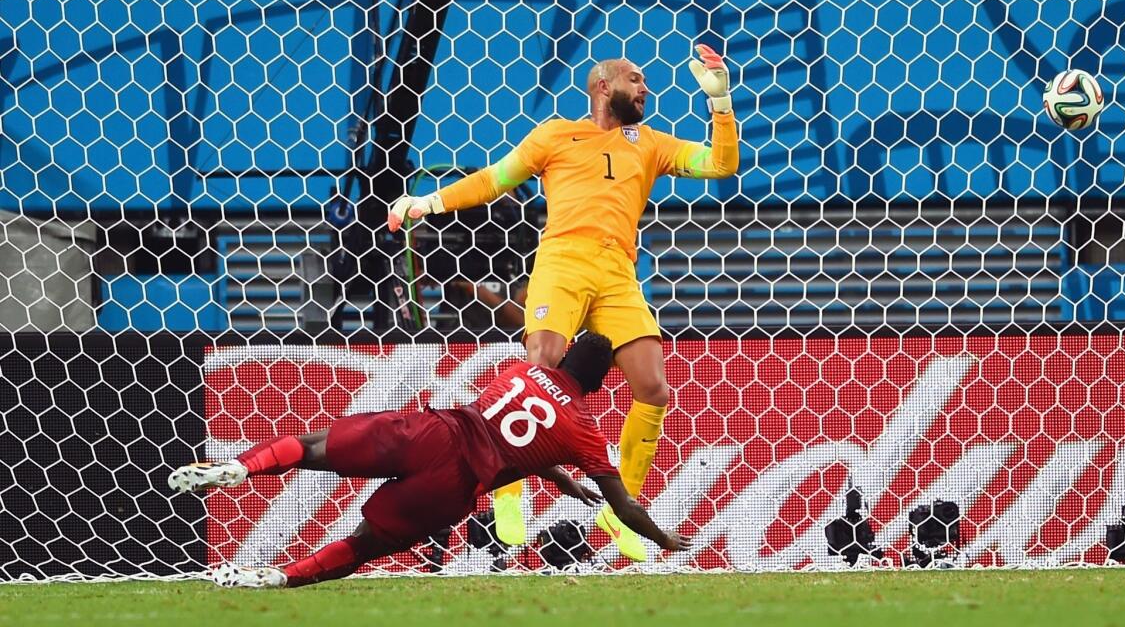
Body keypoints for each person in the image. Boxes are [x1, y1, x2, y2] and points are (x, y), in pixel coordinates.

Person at [385, 44, 739, 560]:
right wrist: (428, 202)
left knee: (653, 388)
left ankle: (623, 514)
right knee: (541, 371)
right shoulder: (555, 135)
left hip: (618, 272)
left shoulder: (651, 143)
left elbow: (721, 165)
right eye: (636, 79)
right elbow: (493, 179)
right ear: (603, 86)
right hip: (563, 261)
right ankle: (507, 489)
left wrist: (721, 102)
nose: (646, 89)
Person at [169, 332, 689, 587]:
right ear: (601, 382)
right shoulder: (583, 432)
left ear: (567, 356)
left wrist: (555, 476)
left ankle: (239, 468)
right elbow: (621, 506)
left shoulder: (518, 373)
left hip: (434, 432)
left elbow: (505, 426)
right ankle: (281, 578)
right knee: (364, 544)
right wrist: (665, 538)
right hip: (455, 483)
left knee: (311, 449)